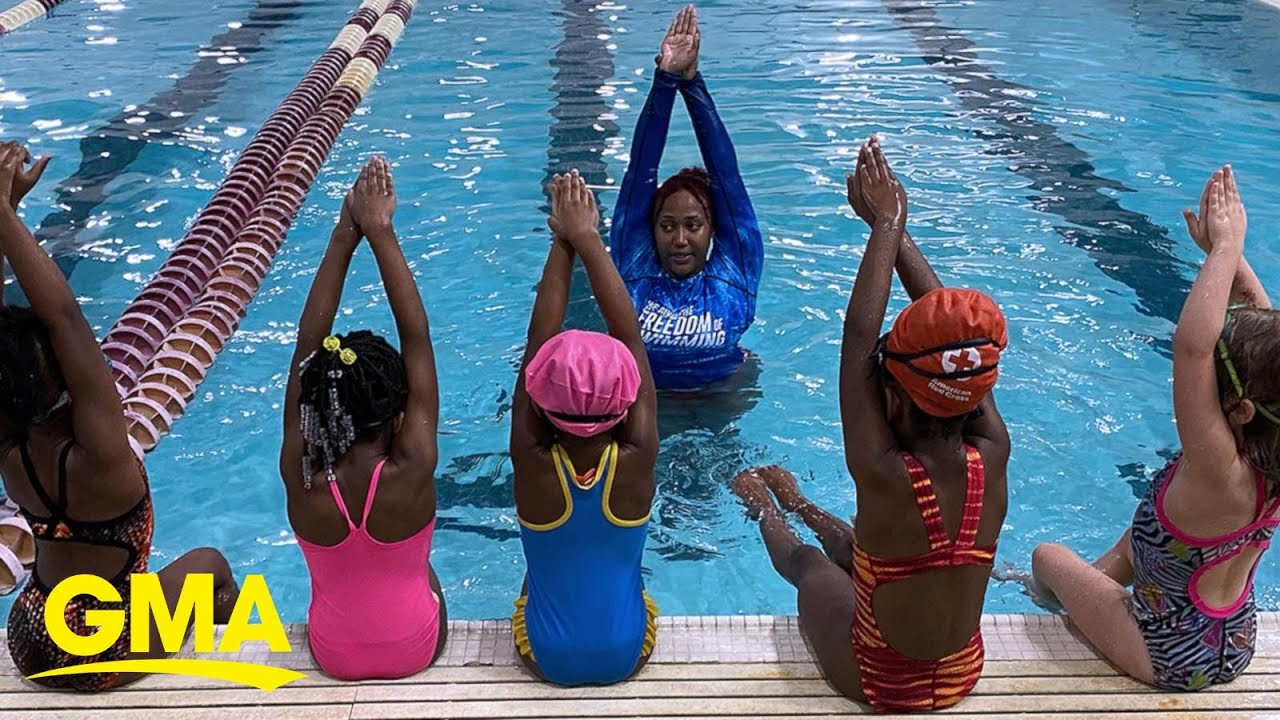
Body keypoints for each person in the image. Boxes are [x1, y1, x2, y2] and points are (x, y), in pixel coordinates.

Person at [732, 138, 1010, 712]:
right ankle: (803, 505)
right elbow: (962, 351)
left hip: (881, 679)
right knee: (857, 547)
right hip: (963, 672)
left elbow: (859, 337)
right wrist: (896, 226)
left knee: (809, 563)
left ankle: (764, 501)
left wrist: (886, 220)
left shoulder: (885, 471)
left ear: (896, 399)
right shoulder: (992, 449)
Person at [1026, 166, 1280, 691]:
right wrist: (1228, 256)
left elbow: (1192, 347)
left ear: (1241, 410)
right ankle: (1087, 591)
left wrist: (1226, 246)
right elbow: (1266, 332)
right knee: (1131, 545)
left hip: (1169, 656)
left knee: (1047, 557)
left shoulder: (1217, 467)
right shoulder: (1267, 464)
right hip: (1233, 642)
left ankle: (1046, 598)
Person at [0, 141, 239, 690]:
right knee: (211, 566)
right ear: (61, 375)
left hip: (32, 640)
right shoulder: (103, 453)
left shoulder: (11, 449)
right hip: (103, 651)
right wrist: (3, 213)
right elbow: (61, 316)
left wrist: (4, 215)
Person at [281, 156, 447, 680]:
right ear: (399, 415)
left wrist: (342, 236)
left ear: (314, 407)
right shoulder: (413, 466)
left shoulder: (301, 473)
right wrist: (380, 232)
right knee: (424, 573)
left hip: (334, 655)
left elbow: (308, 346)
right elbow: (416, 339)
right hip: (414, 651)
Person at [510, 169, 660, 686]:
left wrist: (561, 242)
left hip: (547, 657)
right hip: (625, 653)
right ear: (625, 403)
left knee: (539, 570)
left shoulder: (532, 461)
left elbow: (537, 339)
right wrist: (587, 238)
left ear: (539, 401)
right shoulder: (638, 456)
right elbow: (631, 338)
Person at [610, 5, 763, 390]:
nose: (680, 239)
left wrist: (692, 84)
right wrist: (664, 82)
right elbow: (640, 170)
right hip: (649, 411)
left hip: (721, 404)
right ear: (652, 230)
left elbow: (727, 179)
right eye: (667, 226)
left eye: (693, 226)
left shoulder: (735, 273)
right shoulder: (635, 266)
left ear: (715, 228)